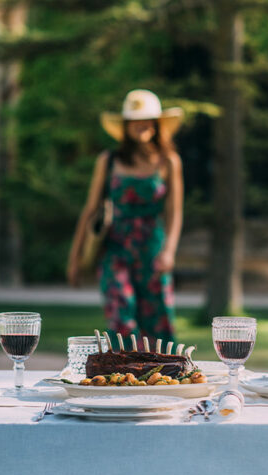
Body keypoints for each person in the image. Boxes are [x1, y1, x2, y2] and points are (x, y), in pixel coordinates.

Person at [68, 90, 184, 345]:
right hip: (116, 248)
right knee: (121, 318)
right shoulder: (109, 160)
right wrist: (75, 257)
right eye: (134, 119)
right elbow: (90, 209)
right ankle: (122, 377)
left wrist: (169, 252)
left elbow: (175, 211)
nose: (140, 125)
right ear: (125, 125)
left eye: (146, 119)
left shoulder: (170, 162)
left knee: (157, 321)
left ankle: (163, 380)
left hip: (153, 249)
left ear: (156, 123)